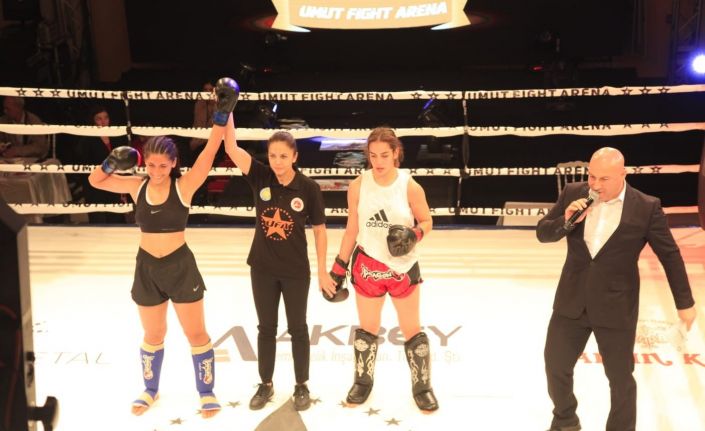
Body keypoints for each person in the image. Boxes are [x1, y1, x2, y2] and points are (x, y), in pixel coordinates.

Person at [87, 77, 240, 418]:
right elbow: (95, 181)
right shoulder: (136, 186)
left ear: (173, 164)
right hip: (147, 268)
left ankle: (206, 392)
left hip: (180, 266)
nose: (155, 171)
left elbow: (210, 153)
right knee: (153, 332)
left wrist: (222, 114)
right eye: (151, 165)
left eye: (162, 165)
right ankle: (150, 389)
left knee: (195, 332)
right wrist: (109, 162)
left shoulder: (185, 186)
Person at [536, 147, 697, 431]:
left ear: (623, 174)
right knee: (555, 366)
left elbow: (669, 255)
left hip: (616, 305)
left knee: (620, 379)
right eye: (592, 176)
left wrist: (684, 302)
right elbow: (543, 233)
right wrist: (566, 221)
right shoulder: (574, 194)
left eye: (604, 178)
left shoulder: (646, 206)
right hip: (572, 300)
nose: (595, 185)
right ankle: (565, 420)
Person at [223, 115, 335, 412]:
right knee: (266, 328)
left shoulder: (308, 188)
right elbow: (232, 148)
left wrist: (323, 271)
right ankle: (266, 383)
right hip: (262, 268)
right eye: (273, 155)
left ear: (295, 157)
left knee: (298, 328)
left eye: (283, 156)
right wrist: (228, 111)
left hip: (296, 270)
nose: (277, 161)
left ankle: (301, 385)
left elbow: (320, 230)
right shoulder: (261, 176)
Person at [331, 126, 438, 412]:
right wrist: (338, 267)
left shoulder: (409, 185)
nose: (378, 161)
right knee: (367, 329)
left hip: (403, 267)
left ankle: (423, 387)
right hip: (368, 266)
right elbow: (351, 229)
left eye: (384, 155)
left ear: (395, 154)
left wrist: (414, 234)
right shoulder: (358, 186)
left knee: (411, 329)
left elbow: (427, 221)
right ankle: (362, 382)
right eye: (373, 155)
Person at [78, 105, 126, 223]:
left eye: (106, 118)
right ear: (93, 121)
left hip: (114, 184)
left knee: (116, 220)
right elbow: (85, 164)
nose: (103, 122)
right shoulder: (87, 140)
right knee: (98, 221)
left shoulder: (116, 136)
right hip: (96, 187)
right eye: (99, 119)